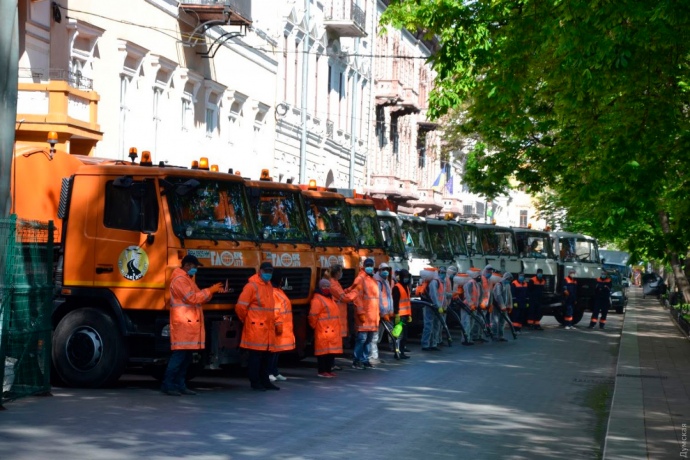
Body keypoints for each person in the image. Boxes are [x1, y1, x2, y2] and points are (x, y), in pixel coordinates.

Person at [162, 255, 224, 396]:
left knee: (186, 359)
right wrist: (210, 291)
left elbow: (199, 296)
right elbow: (192, 298)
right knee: (179, 357)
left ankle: (180, 385)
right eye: (194, 267)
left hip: (188, 325)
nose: (195, 269)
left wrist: (211, 291)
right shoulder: (179, 280)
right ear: (187, 265)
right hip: (183, 324)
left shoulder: (187, 280)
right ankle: (168, 385)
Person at [236, 261, 280, 391]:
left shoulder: (268, 286)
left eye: (270, 271)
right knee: (255, 357)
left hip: (266, 328)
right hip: (256, 328)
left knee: (266, 357)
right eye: (266, 271)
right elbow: (241, 307)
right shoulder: (251, 286)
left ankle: (265, 381)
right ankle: (255, 382)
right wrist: (247, 320)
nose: (268, 274)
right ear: (260, 271)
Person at [345, 258, 380, 369]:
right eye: (368, 265)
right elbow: (357, 297)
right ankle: (357, 360)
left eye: (371, 265)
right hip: (365, 316)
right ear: (364, 266)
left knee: (368, 340)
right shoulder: (360, 279)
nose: (370, 267)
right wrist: (360, 312)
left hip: (372, 316)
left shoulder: (372, 279)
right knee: (362, 339)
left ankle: (364, 360)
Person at [309, 279, 342, 378]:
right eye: (324, 286)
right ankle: (322, 371)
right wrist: (314, 326)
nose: (326, 288)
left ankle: (328, 370)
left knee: (330, 352)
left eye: (328, 286)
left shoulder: (329, 298)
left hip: (331, 329)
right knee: (322, 352)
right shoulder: (317, 299)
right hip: (323, 329)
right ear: (320, 287)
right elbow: (313, 315)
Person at [325, 265, 358, 354]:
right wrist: (355, 292)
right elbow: (344, 298)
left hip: (339, 313)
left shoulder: (335, 282)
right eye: (340, 271)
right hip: (337, 314)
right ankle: (333, 356)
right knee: (335, 336)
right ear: (337, 273)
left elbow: (342, 293)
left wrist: (351, 288)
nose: (341, 273)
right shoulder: (333, 284)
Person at [268, 280, 295, 382]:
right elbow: (275, 310)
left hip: (282, 325)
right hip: (277, 326)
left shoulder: (278, 291)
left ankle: (274, 371)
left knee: (277, 351)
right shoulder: (274, 292)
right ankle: (269, 372)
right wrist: (278, 324)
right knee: (272, 351)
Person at [419, 267, 445, 351]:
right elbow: (433, 295)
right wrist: (438, 306)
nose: (442, 274)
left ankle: (433, 344)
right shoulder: (434, 282)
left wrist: (441, 306)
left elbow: (441, 296)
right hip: (432, 306)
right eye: (441, 272)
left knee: (435, 326)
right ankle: (426, 344)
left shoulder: (438, 282)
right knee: (429, 325)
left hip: (436, 306)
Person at [392, 269, 412, 359]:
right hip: (399, 316)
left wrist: (409, 315)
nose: (406, 278)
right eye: (405, 276)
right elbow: (395, 302)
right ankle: (397, 353)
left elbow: (407, 303)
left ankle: (401, 352)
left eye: (407, 277)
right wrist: (396, 314)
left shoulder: (406, 287)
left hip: (405, 315)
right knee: (398, 335)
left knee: (404, 336)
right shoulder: (397, 287)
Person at [464, 267, 483, 344]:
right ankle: (465, 339)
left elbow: (478, 296)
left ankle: (469, 338)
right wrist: (471, 304)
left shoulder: (476, 284)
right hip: (468, 306)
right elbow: (467, 294)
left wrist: (477, 305)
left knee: (471, 323)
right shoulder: (470, 283)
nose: (480, 277)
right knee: (467, 323)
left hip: (474, 307)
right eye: (479, 276)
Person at [492, 271, 513, 341]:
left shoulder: (507, 285)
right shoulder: (499, 284)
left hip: (504, 306)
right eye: (508, 279)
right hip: (497, 306)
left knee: (502, 321)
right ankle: (494, 335)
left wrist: (510, 305)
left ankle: (501, 336)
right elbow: (498, 296)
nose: (509, 281)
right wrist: (502, 305)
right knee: (495, 320)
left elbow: (509, 295)